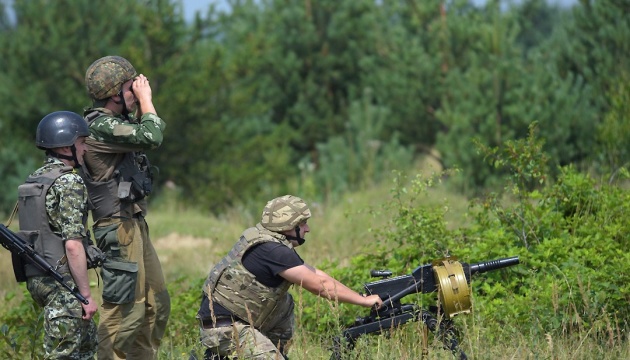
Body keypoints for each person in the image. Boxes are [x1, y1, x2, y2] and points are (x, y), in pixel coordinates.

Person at [195, 195, 383, 359]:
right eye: (302, 224)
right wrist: (363, 301)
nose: (307, 229)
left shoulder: (267, 240)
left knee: (285, 301)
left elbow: (315, 273)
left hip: (233, 323)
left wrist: (362, 297)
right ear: (288, 226)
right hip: (225, 330)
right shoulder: (274, 251)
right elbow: (319, 285)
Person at [81, 55, 170, 360]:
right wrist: (147, 101)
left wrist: (139, 100)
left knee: (155, 303)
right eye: (132, 86)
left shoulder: (117, 124)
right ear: (117, 93)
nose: (138, 89)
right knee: (124, 311)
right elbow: (152, 135)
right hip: (116, 227)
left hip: (133, 223)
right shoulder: (101, 126)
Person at [17, 111, 98, 358]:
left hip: (40, 279)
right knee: (66, 354)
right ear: (66, 146)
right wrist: (85, 295)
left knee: (83, 349)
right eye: (82, 142)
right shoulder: (68, 183)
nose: (85, 149)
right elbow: (73, 244)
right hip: (63, 284)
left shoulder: (36, 179)